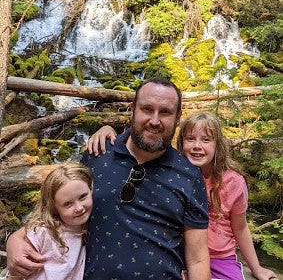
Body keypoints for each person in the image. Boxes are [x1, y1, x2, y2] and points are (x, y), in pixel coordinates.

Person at [6, 77, 210, 280]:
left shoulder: (189, 176)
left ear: (178, 117)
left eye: (165, 112)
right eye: (147, 109)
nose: (154, 121)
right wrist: (16, 239)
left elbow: (197, 260)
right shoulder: (98, 153)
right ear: (132, 109)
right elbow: (62, 208)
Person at [86, 111, 278, 280]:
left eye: (206, 140)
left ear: (218, 145)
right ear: (180, 142)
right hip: (182, 256)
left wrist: (257, 268)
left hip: (222, 259)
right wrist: (106, 128)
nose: (197, 146)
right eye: (190, 139)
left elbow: (241, 228)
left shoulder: (234, 182)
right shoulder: (172, 174)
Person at [5, 161, 93, 280]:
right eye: (68, 204)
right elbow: (16, 273)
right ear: (54, 208)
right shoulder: (43, 233)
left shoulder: (93, 224)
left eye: (83, 196)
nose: (79, 208)